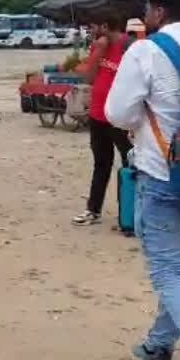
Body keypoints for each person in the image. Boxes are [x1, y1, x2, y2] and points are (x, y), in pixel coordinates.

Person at [104, 0, 180, 360]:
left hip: (167, 175)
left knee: (171, 271)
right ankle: (158, 347)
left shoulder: (147, 51)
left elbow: (118, 114)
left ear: (159, 12)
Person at [70, 15, 133, 227]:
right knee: (101, 163)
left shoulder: (129, 47)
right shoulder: (99, 47)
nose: (91, 31)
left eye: (94, 26)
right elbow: (89, 78)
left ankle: (129, 213)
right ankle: (93, 210)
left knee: (129, 164)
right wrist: (97, 52)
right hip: (98, 115)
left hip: (121, 117)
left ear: (106, 26)